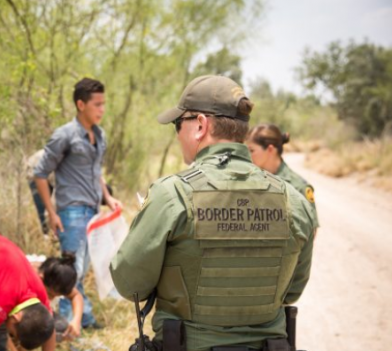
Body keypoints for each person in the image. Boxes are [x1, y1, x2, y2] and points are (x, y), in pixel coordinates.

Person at [110, 75, 316, 351]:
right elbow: (292, 291)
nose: (177, 134)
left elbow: (129, 283)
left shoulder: (172, 196)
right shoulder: (294, 201)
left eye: (177, 124)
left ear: (200, 125)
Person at [33, 77, 122, 329]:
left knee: (83, 270)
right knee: (70, 273)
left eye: (104, 104)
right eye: (97, 104)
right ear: (81, 104)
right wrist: (51, 213)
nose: (102, 109)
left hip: (93, 212)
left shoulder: (99, 135)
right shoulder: (65, 135)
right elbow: (40, 174)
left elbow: (96, 172)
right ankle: (65, 329)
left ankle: (85, 318)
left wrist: (108, 197)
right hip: (70, 212)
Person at [246, 124, 320, 230]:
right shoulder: (248, 178)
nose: (247, 155)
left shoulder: (298, 186)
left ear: (270, 149)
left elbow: (310, 230)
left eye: (251, 150)